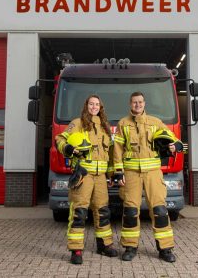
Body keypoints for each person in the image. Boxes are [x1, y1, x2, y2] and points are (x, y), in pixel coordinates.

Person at [113, 91, 183, 262]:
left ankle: (165, 249)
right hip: (131, 174)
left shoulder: (156, 122)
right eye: (134, 102)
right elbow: (117, 150)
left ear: (145, 104)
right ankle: (130, 247)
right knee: (130, 211)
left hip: (153, 173)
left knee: (159, 210)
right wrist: (118, 172)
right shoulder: (123, 123)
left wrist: (176, 147)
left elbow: (174, 140)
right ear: (130, 104)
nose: (137, 105)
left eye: (140, 102)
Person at [55, 94, 118, 264]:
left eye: (97, 104)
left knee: (103, 212)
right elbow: (60, 139)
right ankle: (76, 250)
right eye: (91, 104)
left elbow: (110, 154)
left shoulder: (105, 127)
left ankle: (104, 245)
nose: (94, 107)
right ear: (86, 106)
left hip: (100, 177)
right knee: (79, 212)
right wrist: (69, 149)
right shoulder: (78, 123)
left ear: (100, 107)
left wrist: (111, 174)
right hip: (83, 174)